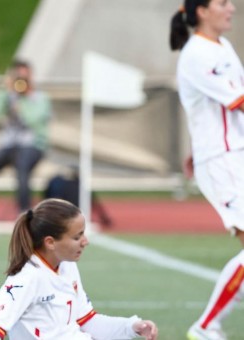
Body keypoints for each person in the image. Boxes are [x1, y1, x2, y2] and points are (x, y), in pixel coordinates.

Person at [0, 198, 158, 340]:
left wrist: (131, 326)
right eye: (77, 237)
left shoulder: (67, 266)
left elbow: (87, 322)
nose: (86, 242)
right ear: (50, 242)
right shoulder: (27, 278)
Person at [170, 1, 244, 339]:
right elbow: (238, 101)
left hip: (233, 156)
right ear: (201, 10)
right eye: (223, 2)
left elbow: (212, 108)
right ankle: (205, 326)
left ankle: (207, 325)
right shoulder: (197, 54)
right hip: (221, 162)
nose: (231, 8)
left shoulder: (222, 46)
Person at [0, 60, 52, 220]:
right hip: (9, 144)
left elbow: (35, 121)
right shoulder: (8, 95)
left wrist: (22, 102)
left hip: (32, 145)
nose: (22, 81)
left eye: (25, 77)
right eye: (18, 77)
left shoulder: (40, 98)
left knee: (22, 168)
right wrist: (4, 91)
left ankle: (24, 213)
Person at [43, 166, 113, 229]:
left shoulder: (62, 185)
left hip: (65, 213)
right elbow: (96, 204)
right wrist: (104, 217)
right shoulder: (82, 187)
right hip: (77, 213)